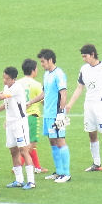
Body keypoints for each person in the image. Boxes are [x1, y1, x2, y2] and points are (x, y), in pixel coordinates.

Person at [65, 44, 102, 174]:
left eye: (85, 56)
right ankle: (97, 163)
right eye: (82, 56)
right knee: (91, 134)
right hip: (88, 106)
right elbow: (79, 88)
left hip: (101, 106)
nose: (84, 59)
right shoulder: (84, 69)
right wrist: (69, 104)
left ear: (93, 54)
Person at [34, 48, 71, 182]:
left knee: (60, 140)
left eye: (43, 62)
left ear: (50, 60)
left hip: (57, 114)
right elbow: (44, 93)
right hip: (48, 114)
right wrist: (30, 102)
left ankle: (66, 173)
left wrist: (61, 113)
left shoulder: (59, 74)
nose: (41, 64)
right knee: (52, 141)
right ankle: (59, 171)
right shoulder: (46, 74)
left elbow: (63, 94)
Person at [0, 66, 36, 190]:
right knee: (13, 151)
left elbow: (1, 96)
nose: (4, 80)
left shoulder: (17, 87)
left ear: (13, 79)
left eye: (7, 78)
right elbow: (6, 103)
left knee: (23, 150)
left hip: (20, 123)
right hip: (10, 123)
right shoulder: (6, 87)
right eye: (4, 78)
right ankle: (19, 180)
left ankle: (31, 181)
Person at [20, 58, 46, 173]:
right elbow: (43, 100)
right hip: (32, 116)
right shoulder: (36, 85)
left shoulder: (18, 83)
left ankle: (37, 167)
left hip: (20, 117)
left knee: (26, 142)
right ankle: (18, 164)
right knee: (32, 142)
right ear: (33, 70)